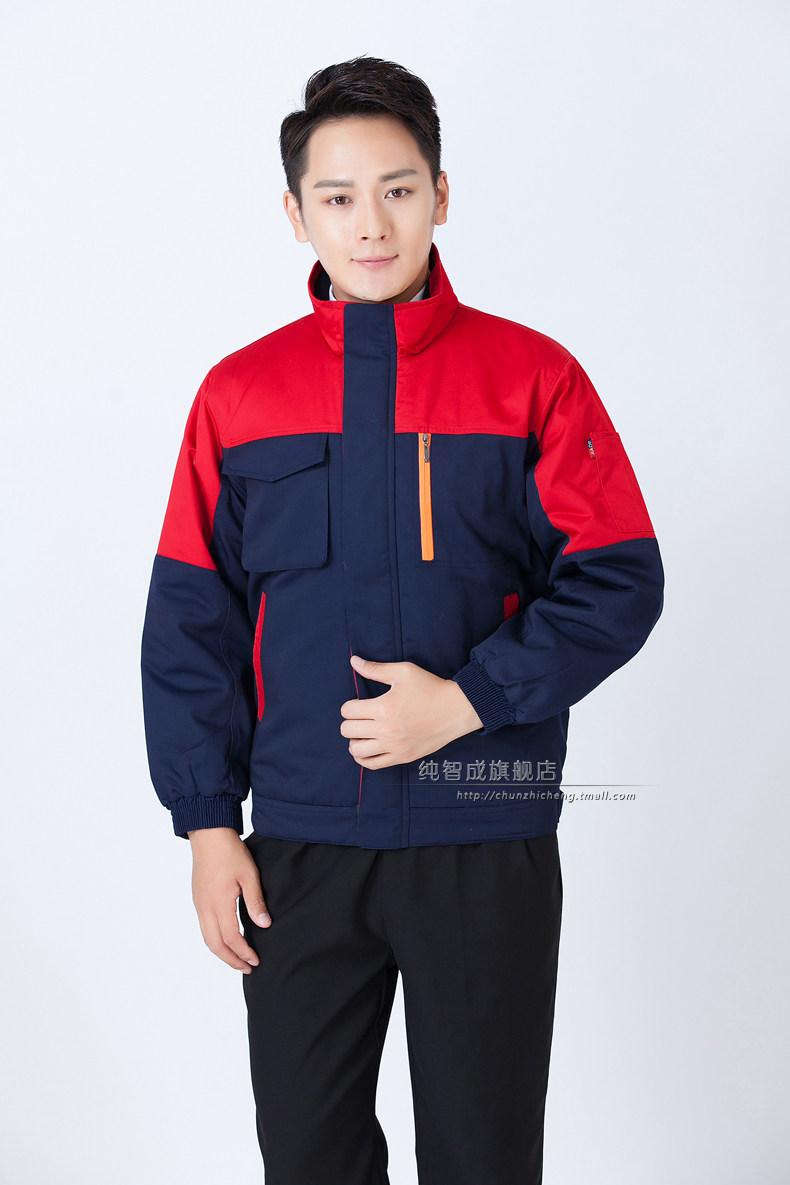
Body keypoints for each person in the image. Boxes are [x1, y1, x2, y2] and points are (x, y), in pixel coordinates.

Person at [141, 55, 664, 1185]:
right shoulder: (239, 395)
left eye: (396, 189)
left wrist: (468, 702)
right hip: (298, 843)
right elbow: (193, 619)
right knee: (307, 1152)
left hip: (483, 829)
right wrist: (207, 824)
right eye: (337, 196)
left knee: (483, 1156)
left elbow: (619, 577)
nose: (370, 224)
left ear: (440, 193)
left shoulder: (532, 377)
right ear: (296, 213)